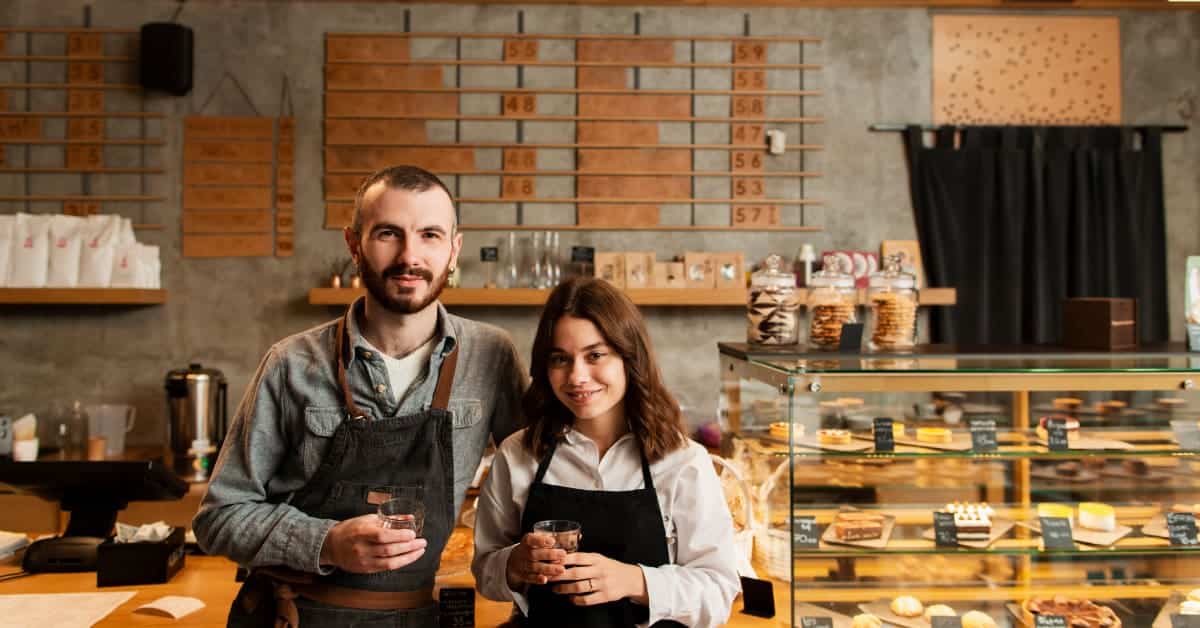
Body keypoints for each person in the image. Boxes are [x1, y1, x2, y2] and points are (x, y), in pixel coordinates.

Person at [193, 165, 526, 628]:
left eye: (430, 235)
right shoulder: (291, 363)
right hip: (296, 616)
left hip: (420, 618)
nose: (409, 256)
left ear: (454, 250)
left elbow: (535, 488)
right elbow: (218, 518)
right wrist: (327, 542)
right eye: (388, 233)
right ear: (354, 245)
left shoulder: (491, 356)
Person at [472, 277, 740, 627]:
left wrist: (634, 581)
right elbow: (485, 572)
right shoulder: (517, 454)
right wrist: (514, 565)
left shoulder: (684, 461)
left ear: (630, 358)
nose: (577, 376)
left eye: (595, 355)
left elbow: (718, 591)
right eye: (560, 359)